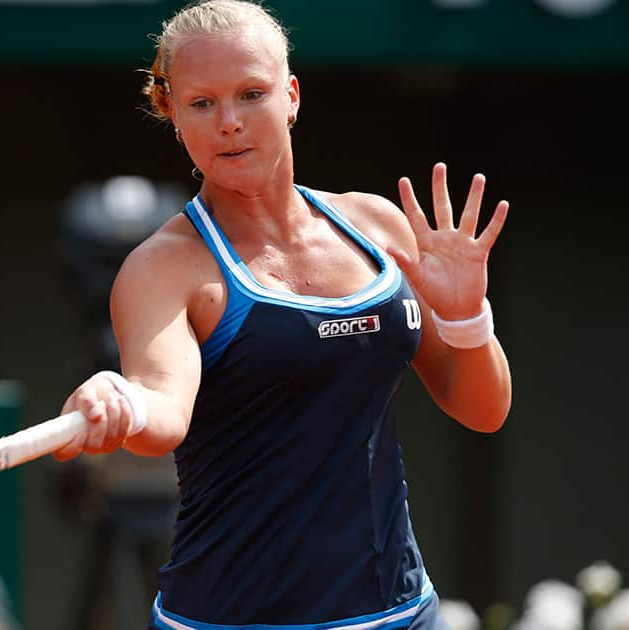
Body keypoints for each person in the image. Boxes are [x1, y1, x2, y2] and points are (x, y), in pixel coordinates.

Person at [54, 1, 512, 629]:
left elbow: (482, 410)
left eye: (251, 93)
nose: (230, 123)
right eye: (202, 104)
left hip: (400, 613)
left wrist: (466, 317)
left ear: (291, 96)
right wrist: (122, 402)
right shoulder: (164, 268)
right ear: (175, 118)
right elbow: (163, 413)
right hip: (232, 619)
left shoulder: (378, 225)